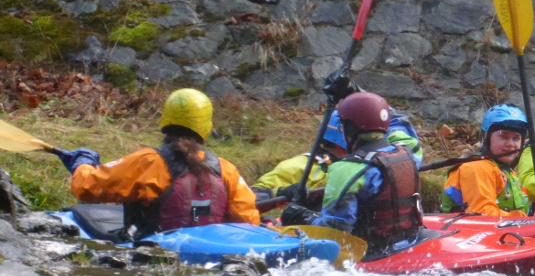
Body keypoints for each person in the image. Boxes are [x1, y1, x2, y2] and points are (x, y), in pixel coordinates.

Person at [60, 88, 260, 239]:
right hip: (206, 257)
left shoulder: (149, 161)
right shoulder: (226, 169)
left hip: (150, 254)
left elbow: (86, 188)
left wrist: (82, 164)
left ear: (166, 120)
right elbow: (248, 223)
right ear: (206, 126)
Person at [280, 91, 423, 255]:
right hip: (409, 240)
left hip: (371, 252)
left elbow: (336, 230)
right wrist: (355, 91)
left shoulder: (346, 169)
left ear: (349, 127)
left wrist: (302, 216)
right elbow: (398, 123)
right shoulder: (409, 151)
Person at [441, 104, 535, 218]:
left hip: (505, 227)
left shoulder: (507, 172)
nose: (511, 144)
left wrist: (534, 218)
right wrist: (524, 220)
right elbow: (481, 213)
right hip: (466, 228)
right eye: (503, 136)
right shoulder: (476, 167)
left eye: (516, 138)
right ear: (487, 138)